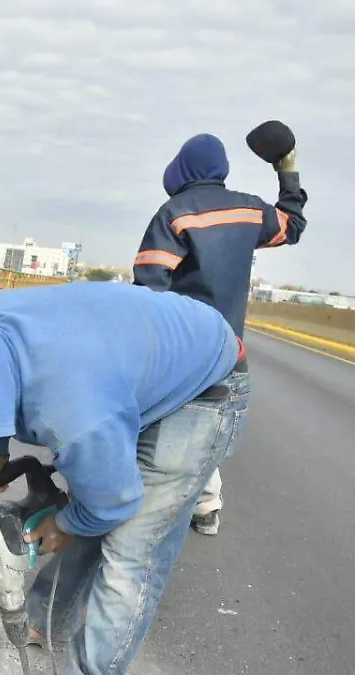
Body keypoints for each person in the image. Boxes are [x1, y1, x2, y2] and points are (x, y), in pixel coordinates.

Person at [0, 281, 249, 675]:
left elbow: (113, 502)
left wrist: (63, 523)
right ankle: (42, 623)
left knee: (132, 552)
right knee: (93, 498)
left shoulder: (73, 415)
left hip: (202, 385)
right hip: (125, 366)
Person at [132, 132, 306, 535]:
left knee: (160, 419)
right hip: (228, 348)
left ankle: (138, 505)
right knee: (209, 423)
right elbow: (291, 225)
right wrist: (288, 171)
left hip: (182, 347)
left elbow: (149, 286)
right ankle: (207, 508)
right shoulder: (249, 211)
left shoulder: (175, 212)